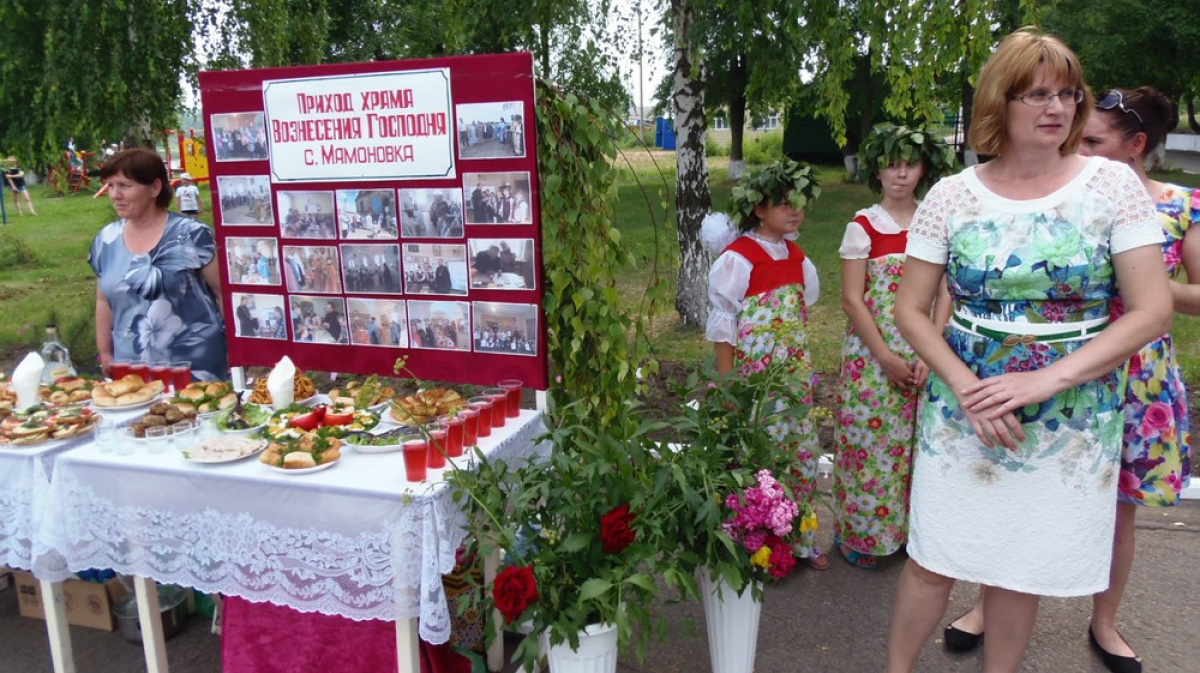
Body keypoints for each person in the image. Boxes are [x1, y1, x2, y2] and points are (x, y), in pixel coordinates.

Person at [884, 28, 1172, 673]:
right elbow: (910, 308)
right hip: (964, 408)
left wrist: (1044, 381)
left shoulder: (1111, 187)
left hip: (1070, 413)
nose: (1058, 108)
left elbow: (1152, 309)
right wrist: (965, 387)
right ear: (998, 103)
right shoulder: (952, 196)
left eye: (1068, 94)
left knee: (1020, 567)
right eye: (1037, 93)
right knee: (934, 561)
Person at [946, 86, 1198, 673]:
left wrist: (1145, 290)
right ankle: (988, 606)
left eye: (1093, 139)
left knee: (1120, 511)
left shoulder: (1180, 205)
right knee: (1014, 489)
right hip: (1052, 375)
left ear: (1135, 146)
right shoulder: (1062, 198)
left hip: (1139, 379)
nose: (1075, 143)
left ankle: (1105, 622)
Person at [832, 123, 954, 570]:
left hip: (926, 355)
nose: (901, 174)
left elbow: (946, 293)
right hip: (874, 356)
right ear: (877, 172)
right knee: (872, 444)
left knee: (918, 447)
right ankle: (865, 537)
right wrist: (885, 357)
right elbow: (851, 299)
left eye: (910, 164)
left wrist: (929, 350)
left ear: (925, 168)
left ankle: (911, 535)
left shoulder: (935, 223)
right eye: (891, 165)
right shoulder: (862, 226)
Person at [704, 158, 828, 570]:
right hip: (757, 383)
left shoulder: (797, 257)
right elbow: (725, 326)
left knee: (800, 453)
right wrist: (727, 386)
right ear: (759, 209)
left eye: (800, 202)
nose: (795, 211)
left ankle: (802, 538)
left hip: (792, 377)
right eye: (783, 203)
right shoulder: (739, 258)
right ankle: (762, 546)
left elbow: (800, 309)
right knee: (762, 456)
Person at [91, 149, 228, 381]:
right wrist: (105, 352)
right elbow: (103, 300)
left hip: (195, 370)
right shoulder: (106, 240)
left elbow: (223, 293)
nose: (115, 195)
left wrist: (236, 349)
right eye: (111, 186)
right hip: (132, 375)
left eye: (124, 185)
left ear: (155, 188)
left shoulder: (192, 235)